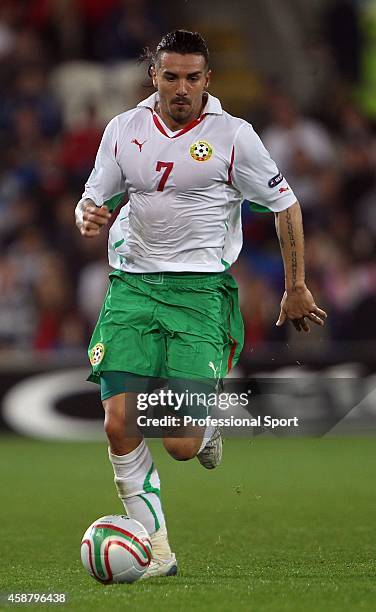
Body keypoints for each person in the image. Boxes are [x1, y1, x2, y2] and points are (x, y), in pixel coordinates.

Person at [75, 30, 327, 579]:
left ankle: (207, 422)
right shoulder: (124, 129)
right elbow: (95, 196)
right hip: (132, 287)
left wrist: (296, 285)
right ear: (154, 78)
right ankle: (158, 551)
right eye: (171, 77)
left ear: (207, 80)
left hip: (199, 294)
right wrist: (88, 214)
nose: (181, 87)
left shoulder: (234, 136)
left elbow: (285, 205)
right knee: (119, 422)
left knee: (181, 444)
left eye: (192, 77)